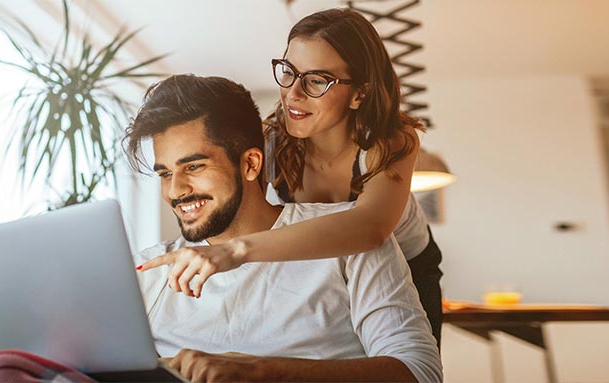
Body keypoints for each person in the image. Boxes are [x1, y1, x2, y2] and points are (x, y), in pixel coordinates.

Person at [138, 8, 446, 342]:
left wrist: (236, 251)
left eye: (316, 80)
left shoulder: (387, 141)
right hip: (333, 262)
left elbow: (370, 229)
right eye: (289, 72)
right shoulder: (273, 139)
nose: (293, 94)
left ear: (359, 93)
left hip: (410, 264)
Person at [123, 74, 440, 383]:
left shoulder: (348, 241)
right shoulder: (144, 272)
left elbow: (419, 374)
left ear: (250, 164)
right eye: (165, 173)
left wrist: (262, 373)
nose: (175, 190)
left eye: (193, 166)